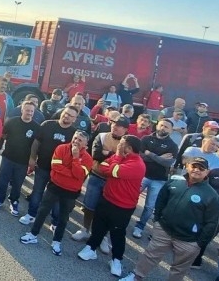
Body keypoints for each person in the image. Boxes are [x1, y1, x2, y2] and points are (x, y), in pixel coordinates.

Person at [120, 157, 219, 281]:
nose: (196, 170)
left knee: (179, 268)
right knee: (150, 255)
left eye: (201, 168)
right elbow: (161, 200)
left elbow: (212, 223)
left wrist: (199, 243)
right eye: (194, 166)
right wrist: (157, 220)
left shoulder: (212, 195)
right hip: (164, 230)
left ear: (207, 172)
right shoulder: (175, 181)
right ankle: (136, 276)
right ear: (187, 166)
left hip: (188, 240)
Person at [77, 135, 146, 277]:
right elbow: (103, 166)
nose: (118, 145)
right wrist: (116, 160)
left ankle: (116, 260)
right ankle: (91, 248)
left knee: (117, 234)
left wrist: (117, 157)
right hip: (107, 198)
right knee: (98, 226)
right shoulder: (120, 157)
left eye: (122, 144)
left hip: (123, 206)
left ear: (129, 148)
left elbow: (113, 171)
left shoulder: (138, 164)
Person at [20, 132, 92, 256]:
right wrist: (72, 173)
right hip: (55, 186)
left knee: (63, 218)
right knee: (42, 211)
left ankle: (57, 242)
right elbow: (56, 167)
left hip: (70, 192)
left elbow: (80, 175)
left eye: (80, 140)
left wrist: (75, 158)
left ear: (86, 144)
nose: (76, 141)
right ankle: (33, 234)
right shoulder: (61, 148)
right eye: (75, 138)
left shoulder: (88, 159)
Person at [71, 114, 130, 244]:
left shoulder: (128, 143)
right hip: (96, 176)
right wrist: (116, 155)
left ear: (126, 129)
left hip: (113, 181)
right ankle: (85, 229)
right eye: (114, 123)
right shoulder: (102, 136)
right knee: (89, 206)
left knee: (106, 210)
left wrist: (107, 153)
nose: (115, 127)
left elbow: (126, 163)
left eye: (119, 125)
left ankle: (102, 236)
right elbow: (96, 155)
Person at [19, 105, 78, 225]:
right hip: (42, 166)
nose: (67, 116)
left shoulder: (74, 133)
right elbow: (36, 142)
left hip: (60, 172)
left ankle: (55, 222)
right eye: (66, 113)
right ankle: (31, 214)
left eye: (71, 115)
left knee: (56, 197)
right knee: (37, 191)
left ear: (74, 119)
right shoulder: (47, 124)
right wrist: (32, 158)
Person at [131, 118, 179, 239]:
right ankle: (124, 218)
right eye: (161, 125)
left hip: (159, 179)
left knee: (149, 207)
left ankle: (140, 226)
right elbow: (139, 156)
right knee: (131, 198)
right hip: (142, 175)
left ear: (171, 130)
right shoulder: (146, 139)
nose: (163, 128)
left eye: (166, 127)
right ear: (157, 126)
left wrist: (150, 154)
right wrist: (159, 157)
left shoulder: (173, 146)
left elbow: (168, 163)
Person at [0, 101, 40, 215]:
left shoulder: (36, 127)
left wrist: (33, 159)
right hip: (8, 157)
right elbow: (3, 135)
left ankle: (13, 201)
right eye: (27, 110)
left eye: (31, 111)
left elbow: (36, 145)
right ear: (22, 110)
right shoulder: (12, 121)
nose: (29, 113)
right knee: (2, 181)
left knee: (17, 184)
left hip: (23, 161)